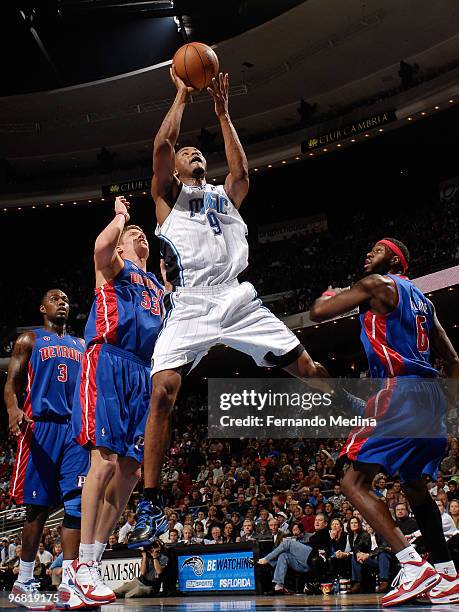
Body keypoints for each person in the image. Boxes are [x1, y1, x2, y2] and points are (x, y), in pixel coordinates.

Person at [128, 66, 328, 548]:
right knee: (162, 392)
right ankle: (151, 504)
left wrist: (222, 113)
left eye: (200, 153)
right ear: (175, 170)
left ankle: (359, 418)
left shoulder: (224, 196)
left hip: (236, 296)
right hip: (192, 300)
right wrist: (181, 96)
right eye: (186, 154)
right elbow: (160, 149)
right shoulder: (168, 198)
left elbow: (240, 171)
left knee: (307, 367)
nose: (194, 155)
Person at [310, 237, 459, 606]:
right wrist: (447, 409)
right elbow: (454, 362)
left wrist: (333, 291)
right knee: (414, 486)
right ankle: (447, 573)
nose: (367, 253)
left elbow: (317, 313)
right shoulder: (425, 303)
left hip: (399, 391)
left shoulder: (375, 284)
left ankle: (412, 565)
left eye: (376, 250)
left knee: (350, 480)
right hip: (431, 399)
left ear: (395, 261)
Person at [70, 196, 164, 605]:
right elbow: (99, 249)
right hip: (108, 360)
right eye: (132, 233)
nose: (139, 234)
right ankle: (80, 568)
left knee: (129, 470)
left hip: (142, 372)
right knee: (104, 461)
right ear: (122, 246)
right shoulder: (113, 267)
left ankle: (91, 558)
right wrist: (120, 218)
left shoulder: (160, 288)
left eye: (142, 233)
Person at [5, 289, 89, 610]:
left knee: (76, 506)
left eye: (66, 299)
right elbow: (11, 384)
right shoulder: (29, 340)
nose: (63, 302)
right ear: (43, 308)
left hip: (73, 430)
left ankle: (69, 584)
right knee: (37, 509)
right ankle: (23, 582)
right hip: (40, 427)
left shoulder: (81, 345)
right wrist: (13, 410)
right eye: (55, 299)